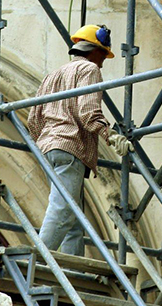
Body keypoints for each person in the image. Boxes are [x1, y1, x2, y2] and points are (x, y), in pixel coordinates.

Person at [28, 24, 132, 256]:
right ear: (95, 50)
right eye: (104, 53)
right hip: (69, 148)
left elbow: (33, 118)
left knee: (72, 217)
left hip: (48, 149)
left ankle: (71, 269)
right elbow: (88, 112)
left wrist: (47, 141)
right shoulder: (89, 70)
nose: (104, 60)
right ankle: (34, 262)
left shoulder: (52, 75)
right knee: (63, 210)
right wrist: (111, 135)